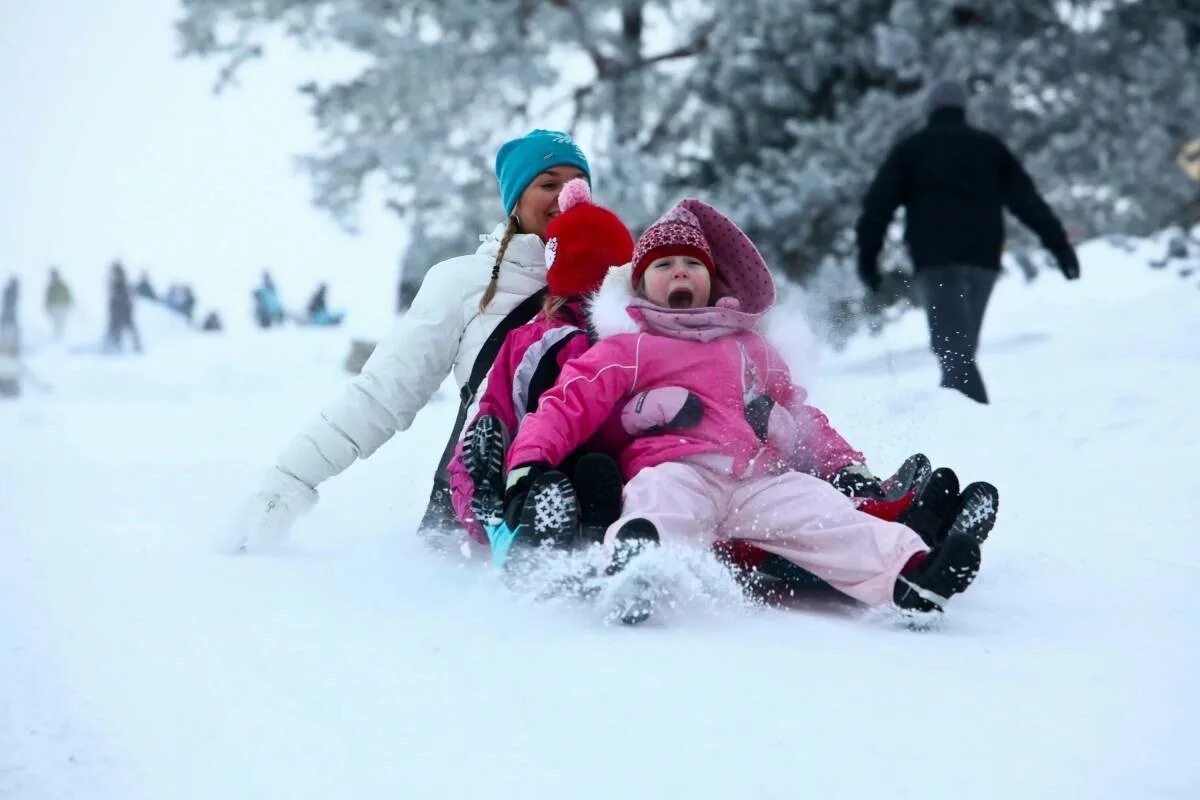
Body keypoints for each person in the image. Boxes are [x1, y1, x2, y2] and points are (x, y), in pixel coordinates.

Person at [502, 199, 987, 622]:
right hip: (677, 469)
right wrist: (529, 464)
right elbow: (569, 402)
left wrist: (842, 464)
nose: (679, 273)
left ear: (712, 282)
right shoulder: (630, 347)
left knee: (825, 514)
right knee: (658, 502)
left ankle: (911, 573)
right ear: (642, 286)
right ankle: (634, 569)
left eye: (691, 265)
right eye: (663, 265)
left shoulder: (749, 346)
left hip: (760, 480)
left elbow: (801, 413)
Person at [235, 129, 592, 552]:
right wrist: (291, 481)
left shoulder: (619, 285)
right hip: (482, 505)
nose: (564, 197)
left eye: (576, 184)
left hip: (594, 497)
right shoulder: (462, 284)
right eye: (547, 184)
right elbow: (383, 395)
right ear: (515, 199)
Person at [855, 79, 1080, 404]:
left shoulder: (913, 149)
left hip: (937, 261)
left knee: (954, 352)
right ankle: (966, 426)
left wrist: (868, 257)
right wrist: (1059, 246)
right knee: (959, 351)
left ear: (930, 109)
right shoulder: (989, 148)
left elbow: (878, 206)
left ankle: (977, 426)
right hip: (983, 261)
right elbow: (1028, 202)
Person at [447, 178, 633, 562]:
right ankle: (530, 525)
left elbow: (494, 413)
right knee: (587, 472)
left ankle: (514, 525)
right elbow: (491, 424)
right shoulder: (639, 340)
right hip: (588, 476)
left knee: (578, 472)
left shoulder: (533, 340)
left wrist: (470, 488)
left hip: (543, 469)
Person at [103, 261, 142, 353]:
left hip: (123, 313)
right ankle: (112, 346)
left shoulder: (122, 285)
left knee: (127, 330)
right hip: (117, 314)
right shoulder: (115, 285)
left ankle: (134, 346)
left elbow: (130, 298)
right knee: (115, 330)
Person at [45, 268, 73, 340]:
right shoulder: (52, 286)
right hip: (57, 307)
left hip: (60, 307)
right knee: (58, 323)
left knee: (59, 323)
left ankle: (60, 337)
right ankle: (58, 337)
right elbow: (48, 298)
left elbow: (67, 295)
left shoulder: (57, 285)